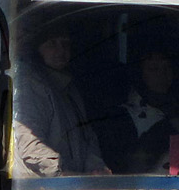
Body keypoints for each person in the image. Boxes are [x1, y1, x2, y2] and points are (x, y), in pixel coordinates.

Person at [12, 25, 110, 177]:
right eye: (52, 44)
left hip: (74, 186)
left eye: (65, 44)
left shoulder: (69, 88)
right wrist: (62, 172)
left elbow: (87, 138)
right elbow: (29, 146)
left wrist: (96, 168)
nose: (61, 51)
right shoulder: (30, 86)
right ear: (37, 49)